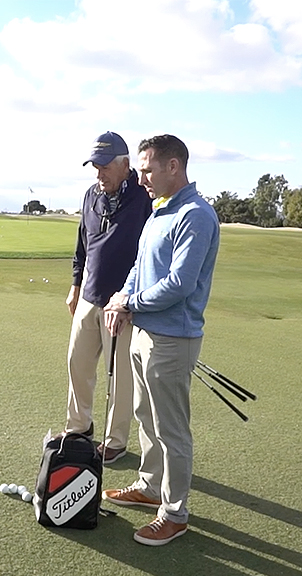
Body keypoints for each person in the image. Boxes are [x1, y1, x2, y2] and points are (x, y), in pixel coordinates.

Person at [102, 134, 220, 546]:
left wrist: (130, 302)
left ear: (174, 166)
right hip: (145, 331)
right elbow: (139, 266)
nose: (142, 177)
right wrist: (121, 297)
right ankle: (151, 487)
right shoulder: (159, 213)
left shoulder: (196, 215)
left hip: (173, 338)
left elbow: (180, 284)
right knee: (144, 416)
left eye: (148, 169)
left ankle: (174, 513)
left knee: (172, 431)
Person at [63, 131, 151, 464]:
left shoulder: (143, 198)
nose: (99, 174)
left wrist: (130, 299)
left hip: (122, 304)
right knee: (78, 363)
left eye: (104, 167)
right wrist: (75, 284)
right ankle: (79, 428)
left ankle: (115, 442)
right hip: (88, 295)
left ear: (125, 165)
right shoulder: (91, 195)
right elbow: (82, 244)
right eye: (95, 167)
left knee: (121, 377)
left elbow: (149, 254)